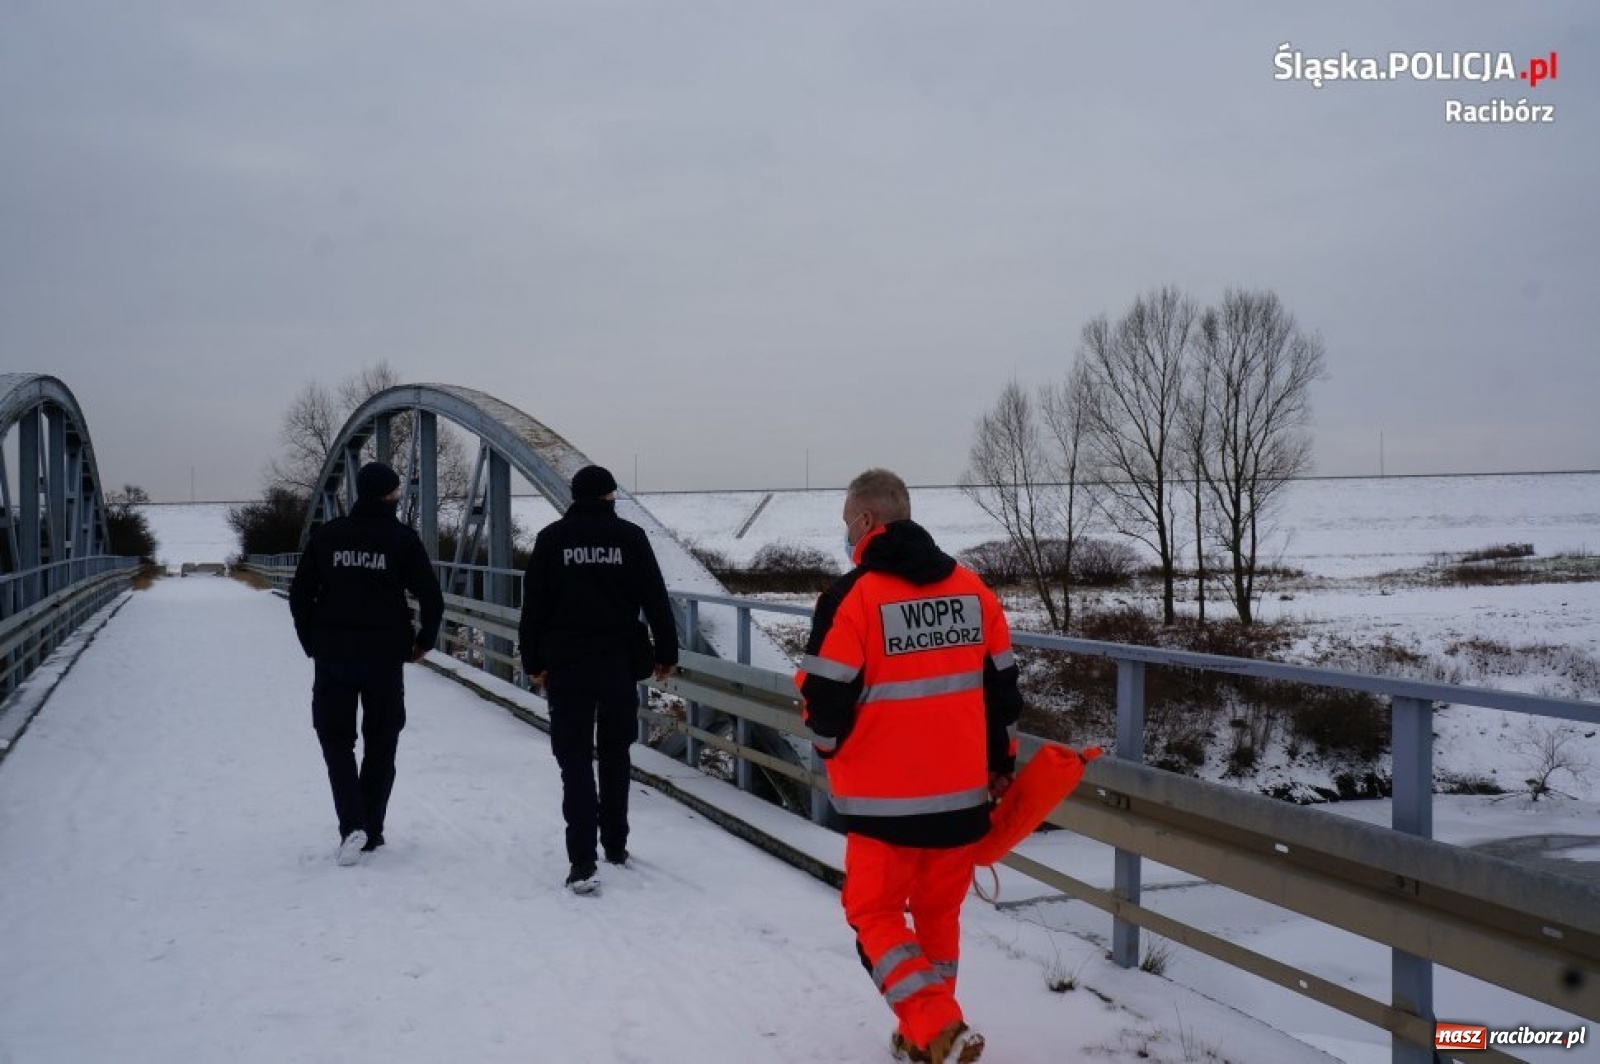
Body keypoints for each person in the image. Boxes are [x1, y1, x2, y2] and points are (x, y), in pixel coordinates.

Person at [795, 468, 1023, 1064]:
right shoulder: (975, 591)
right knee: (937, 916)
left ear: (867, 521)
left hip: (881, 805)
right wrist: (1000, 765)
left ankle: (938, 1024)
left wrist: (827, 750)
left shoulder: (851, 598)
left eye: (848, 523)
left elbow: (824, 704)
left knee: (872, 912)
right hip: (962, 797)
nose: (846, 535)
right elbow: (1003, 691)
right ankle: (927, 1041)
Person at [518, 464, 679, 894]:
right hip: (618, 665)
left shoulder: (552, 540)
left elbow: (533, 606)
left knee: (573, 760)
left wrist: (531, 659)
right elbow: (655, 599)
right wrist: (667, 652)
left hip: (567, 666)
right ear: (610, 496)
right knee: (614, 754)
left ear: (574, 496)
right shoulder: (630, 538)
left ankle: (582, 861)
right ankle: (616, 844)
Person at [289, 461, 444, 866]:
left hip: (334, 655)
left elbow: (300, 594)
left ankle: (352, 826)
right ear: (391, 495)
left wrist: (312, 642)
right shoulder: (401, 539)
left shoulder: (328, 536)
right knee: (382, 740)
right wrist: (424, 642)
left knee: (336, 741)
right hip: (384, 656)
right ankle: (371, 829)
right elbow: (431, 596)